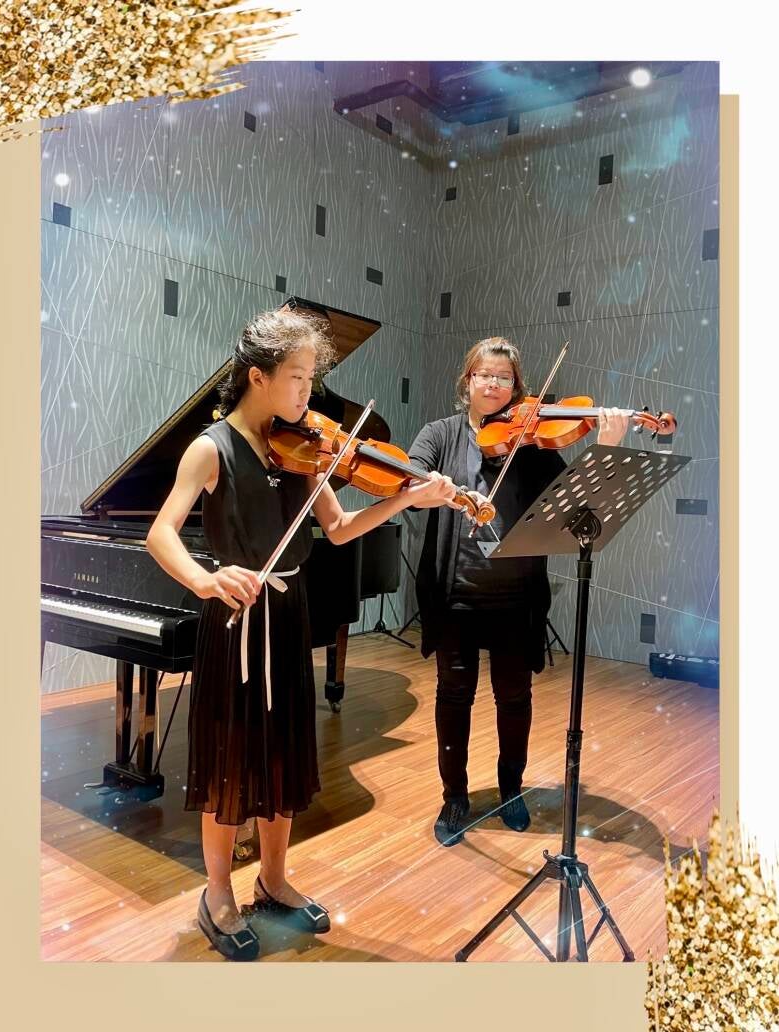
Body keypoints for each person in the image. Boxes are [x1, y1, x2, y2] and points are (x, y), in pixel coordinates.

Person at [146, 308, 456, 959]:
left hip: (289, 615)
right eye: (297, 377)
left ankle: (274, 879)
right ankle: (218, 892)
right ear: (257, 377)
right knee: (231, 762)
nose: (307, 393)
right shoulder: (212, 449)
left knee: (283, 755)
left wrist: (405, 498)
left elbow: (339, 529)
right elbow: (161, 534)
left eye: (311, 378)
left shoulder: (302, 450)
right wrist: (205, 579)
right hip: (235, 621)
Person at [407, 336, 630, 846]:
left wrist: (609, 445)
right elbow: (411, 487)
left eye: (504, 378)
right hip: (455, 597)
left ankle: (511, 789)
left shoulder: (531, 444)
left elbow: (579, 504)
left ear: (517, 387)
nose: (494, 384)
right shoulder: (440, 434)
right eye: (485, 374)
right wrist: (434, 488)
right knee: (453, 697)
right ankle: (454, 797)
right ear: (468, 380)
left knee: (514, 698)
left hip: (514, 600)